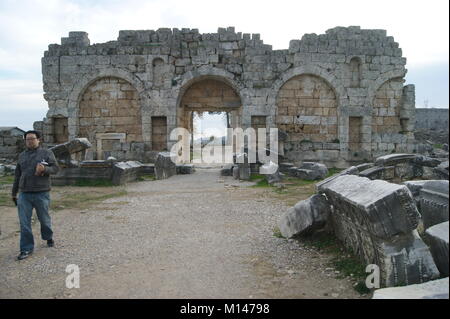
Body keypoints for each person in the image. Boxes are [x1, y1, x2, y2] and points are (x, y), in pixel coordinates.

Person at [11, 130, 60, 260]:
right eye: (27, 139)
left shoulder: (47, 153)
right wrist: (14, 193)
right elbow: (17, 175)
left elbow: (56, 168)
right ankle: (26, 249)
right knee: (24, 223)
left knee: (44, 220)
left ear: (39, 140)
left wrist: (45, 169)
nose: (30, 141)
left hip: (41, 193)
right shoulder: (21, 155)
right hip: (24, 194)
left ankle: (48, 237)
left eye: (32, 139)